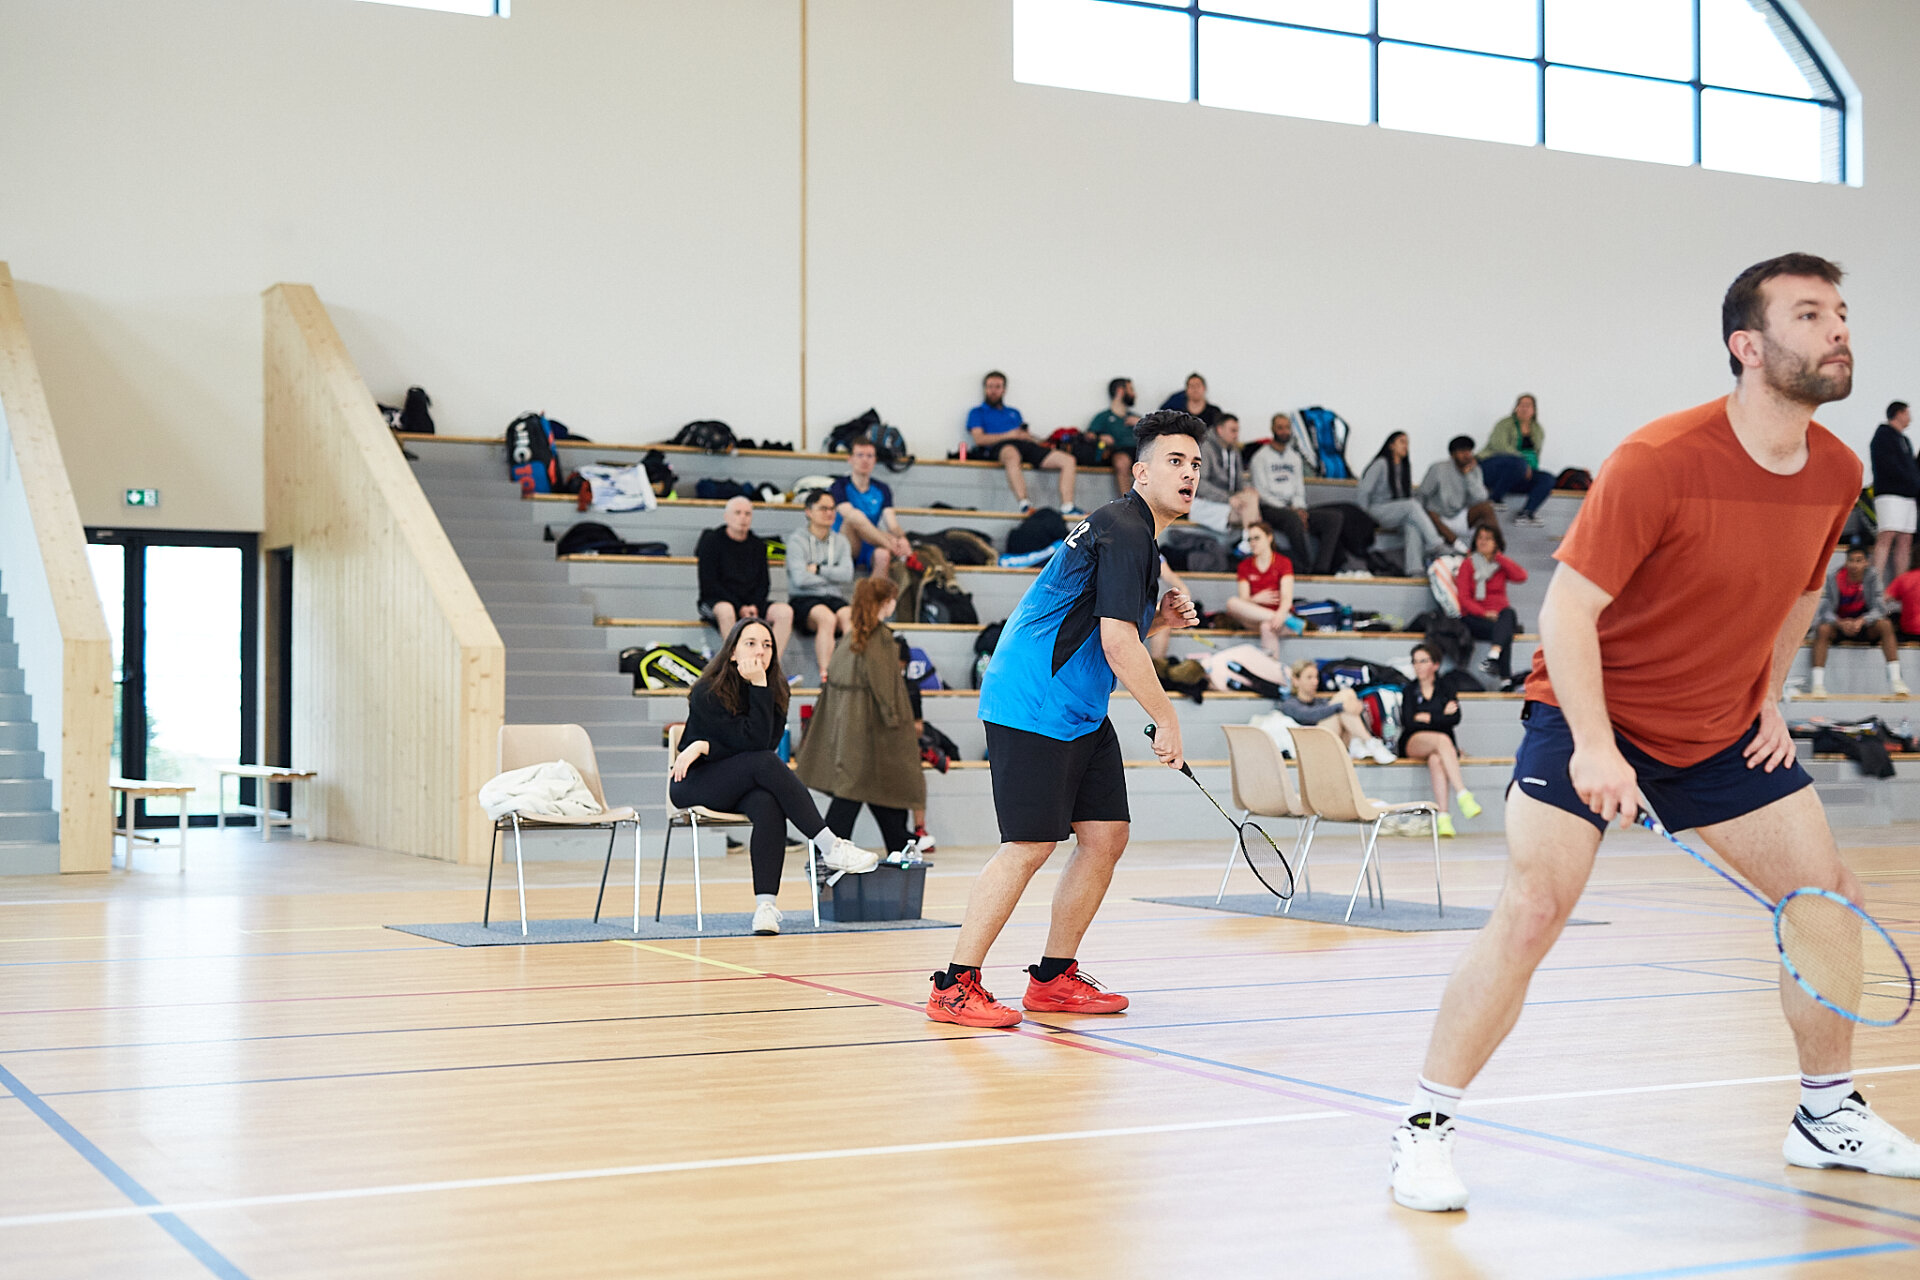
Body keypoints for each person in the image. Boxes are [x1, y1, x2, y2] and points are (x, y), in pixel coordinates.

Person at [1391, 253, 1920, 1215]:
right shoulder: (1660, 459)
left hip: (1721, 731)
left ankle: (1826, 1113)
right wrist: (1597, 746)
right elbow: (1567, 612)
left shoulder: (1839, 470)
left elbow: (1802, 593)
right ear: (1747, 346)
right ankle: (1424, 1125)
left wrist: (1769, 696)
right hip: (1587, 712)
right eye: (1810, 314)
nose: (1839, 328)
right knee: (1534, 908)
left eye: (1841, 311)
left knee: (1826, 900)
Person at [926, 411, 1204, 1028]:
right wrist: (1167, 718)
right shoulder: (1125, 530)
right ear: (1141, 472)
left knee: (1105, 836)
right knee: (1029, 845)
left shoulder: (1135, 534)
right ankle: (954, 985)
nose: (1188, 474)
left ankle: (1053, 978)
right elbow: (1116, 644)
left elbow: (1105, 627)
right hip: (1034, 701)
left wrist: (1158, 620)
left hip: (1078, 706)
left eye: (1194, 465)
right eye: (1174, 461)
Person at [669, 618, 882, 936]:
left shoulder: (775, 690)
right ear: (732, 652)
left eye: (767, 645)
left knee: (767, 802)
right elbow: (753, 748)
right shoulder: (707, 690)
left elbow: (760, 745)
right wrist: (705, 745)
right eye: (751, 643)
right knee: (765, 763)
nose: (761, 651)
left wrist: (709, 741)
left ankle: (765, 908)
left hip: (742, 782)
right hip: (695, 781)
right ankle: (830, 846)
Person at [795, 578, 925, 857]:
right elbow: (885, 689)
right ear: (885, 602)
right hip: (874, 732)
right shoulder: (880, 639)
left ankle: (895, 845)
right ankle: (835, 853)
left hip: (849, 730)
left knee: (868, 793)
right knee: (872, 792)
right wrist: (896, 724)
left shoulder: (850, 638)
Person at [1250, 412, 1367, 575]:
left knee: (1333, 518)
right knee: (1293, 519)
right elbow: (1262, 492)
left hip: (1294, 508)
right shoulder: (1260, 458)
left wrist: (1299, 508)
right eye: (1280, 428)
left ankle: (1321, 568)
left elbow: (1299, 489)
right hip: (1271, 508)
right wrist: (1291, 510)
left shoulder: (1294, 457)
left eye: (1287, 428)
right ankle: (1304, 566)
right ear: (1273, 429)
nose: (1284, 431)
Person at [965, 370, 1082, 517]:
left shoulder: (1014, 412)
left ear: (1004, 389)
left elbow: (1023, 434)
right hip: (1000, 447)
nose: (994, 390)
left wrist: (1029, 437)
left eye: (997, 387)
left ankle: (1068, 506)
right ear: (985, 388)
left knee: (1068, 460)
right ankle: (1025, 504)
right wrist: (1009, 435)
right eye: (990, 386)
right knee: (1012, 454)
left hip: (1024, 445)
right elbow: (979, 439)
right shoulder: (977, 412)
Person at [1397, 642, 1478, 838]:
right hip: (1414, 741)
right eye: (1415, 662)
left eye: (1423, 661)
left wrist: (1427, 717)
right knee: (1442, 739)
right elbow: (1409, 722)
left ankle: (1443, 817)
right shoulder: (1409, 690)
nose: (1418, 666)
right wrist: (1440, 716)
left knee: (1436, 760)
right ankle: (1462, 793)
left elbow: (1455, 718)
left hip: (1440, 745)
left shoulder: (1446, 687)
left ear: (1435, 664)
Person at [694, 497, 793, 655]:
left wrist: (753, 605)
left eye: (747, 514)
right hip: (717, 601)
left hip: (751, 603)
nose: (743, 518)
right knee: (726, 610)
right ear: (726, 516)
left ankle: (770, 663)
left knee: (784, 612)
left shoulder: (758, 545)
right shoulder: (711, 542)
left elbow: (764, 583)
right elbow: (709, 584)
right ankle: (737, 661)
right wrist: (739, 607)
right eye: (738, 513)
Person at [1809, 544, 1908, 697]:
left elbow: (1880, 608)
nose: (1854, 565)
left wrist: (1862, 620)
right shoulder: (1834, 577)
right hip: (1840, 626)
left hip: (1865, 626)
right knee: (1822, 629)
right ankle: (1817, 684)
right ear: (1846, 561)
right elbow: (1825, 610)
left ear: (1866, 562)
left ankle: (1896, 680)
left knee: (1886, 625)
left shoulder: (1873, 577)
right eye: (1851, 560)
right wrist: (1840, 623)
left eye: (1859, 561)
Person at [786, 488, 856, 682]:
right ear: (809, 512)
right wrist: (833, 575)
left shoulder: (841, 541)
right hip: (803, 598)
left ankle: (852, 670)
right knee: (826, 618)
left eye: (832, 509)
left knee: (850, 616)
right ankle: (826, 675)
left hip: (833, 597)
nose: (829, 513)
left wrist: (818, 570)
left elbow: (847, 574)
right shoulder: (797, 540)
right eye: (823, 508)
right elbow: (800, 579)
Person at [1357, 432, 1443, 576]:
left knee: (1412, 525)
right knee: (1411, 505)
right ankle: (1436, 544)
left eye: (1407, 443)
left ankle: (1415, 571)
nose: (1406, 446)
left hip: (1395, 512)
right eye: (1402, 442)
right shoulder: (1381, 464)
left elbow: (1405, 496)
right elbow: (1364, 491)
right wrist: (1362, 518)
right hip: (1375, 510)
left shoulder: (1404, 467)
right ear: (1391, 445)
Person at [1454, 522, 1528, 683]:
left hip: (1500, 617)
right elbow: (1464, 599)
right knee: (1505, 630)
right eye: (1480, 538)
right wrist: (1484, 613)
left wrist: (1499, 557)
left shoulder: (1500, 565)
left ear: (1496, 542)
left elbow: (1521, 576)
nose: (1483, 542)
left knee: (1508, 614)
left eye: (1488, 538)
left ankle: (1494, 657)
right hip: (1475, 618)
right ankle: (1505, 678)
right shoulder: (1467, 565)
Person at [1281, 660, 1395, 764]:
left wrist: (1354, 706)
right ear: (1295, 680)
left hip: (1335, 742)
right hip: (1312, 747)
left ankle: (1358, 742)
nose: (1315, 682)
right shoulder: (1289, 704)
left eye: (1316, 677)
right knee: (1342, 705)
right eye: (1309, 677)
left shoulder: (1321, 702)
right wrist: (1342, 706)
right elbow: (1309, 715)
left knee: (1348, 695)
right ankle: (1369, 742)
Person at [829, 438, 912, 577]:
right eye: (860, 455)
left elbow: (892, 525)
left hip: (871, 542)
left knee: (883, 555)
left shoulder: (882, 489)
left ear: (875, 460)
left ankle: (876, 590)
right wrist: (890, 541)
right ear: (850, 459)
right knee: (854, 516)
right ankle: (894, 548)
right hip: (846, 542)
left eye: (869, 456)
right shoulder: (839, 485)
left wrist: (902, 539)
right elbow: (850, 515)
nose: (865, 460)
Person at [1478, 394, 1559, 527]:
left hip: (1518, 474)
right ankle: (1494, 499)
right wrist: (1523, 463)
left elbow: (1536, 455)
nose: (1524, 408)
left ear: (1534, 410)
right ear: (1516, 408)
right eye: (1521, 405)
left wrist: (1528, 468)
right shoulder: (1504, 424)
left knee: (1548, 478)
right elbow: (1500, 446)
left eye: (1528, 405)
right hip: (1494, 468)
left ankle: (1527, 513)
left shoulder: (1538, 430)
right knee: (1517, 463)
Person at [1221, 522, 1294, 656]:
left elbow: (1287, 598)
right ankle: (1287, 619)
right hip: (1255, 617)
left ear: (1269, 538)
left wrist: (1280, 614)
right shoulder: (1244, 566)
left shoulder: (1283, 563)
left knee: (1267, 626)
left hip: (1279, 618)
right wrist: (1255, 599)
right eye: (1250, 539)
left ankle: (1272, 668)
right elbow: (1244, 599)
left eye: (1257, 538)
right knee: (1232, 602)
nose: (1253, 543)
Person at [1418, 436, 1500, 551]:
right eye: (1462, 451)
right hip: (1438, 517)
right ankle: (1459, 547)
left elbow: (1481, 497)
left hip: (1460, 515)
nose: (1467, 455)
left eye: (1469, 451)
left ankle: (1494, 548)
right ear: (1452, 454)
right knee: (1430, 512)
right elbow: (1422, 494)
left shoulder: (1475, 470)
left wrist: (1468, 476)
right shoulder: (1438, 468)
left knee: (1486, 508)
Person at [1869, 401, 1918, 582]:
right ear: (1899, 413)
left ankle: (1900, 585)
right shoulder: (1883, 436)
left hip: (1908, 495)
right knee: (1887, 536)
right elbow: (1888, 466)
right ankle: (1876, 586)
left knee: (1905, 539)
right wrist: (1909, 480)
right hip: (1890, 494)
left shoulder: (1904, 440)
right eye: (1907, 413)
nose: (1910, 418)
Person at [1189, 413, 1260, 535]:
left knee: (1251, 498)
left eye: (1237, 431)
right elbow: (1200, 484)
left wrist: (1245, 489)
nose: (1236, 435)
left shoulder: (1234, 450)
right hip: (1206, 503)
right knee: (1251, 512)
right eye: (1233, 430)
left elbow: (1239, 482)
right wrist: (1228, 498)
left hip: (1228, 502)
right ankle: (1250, 540)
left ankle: (1248, 539)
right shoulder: (1205, 449)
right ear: (1220, 430)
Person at [1090, 378, 1141, 496]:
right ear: (1120, 391)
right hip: (1118, 451)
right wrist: (1101, 437)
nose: (1134, 394)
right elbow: (1090, 436)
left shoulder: (1136, 418)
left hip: (1139, 451)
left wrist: (1141, 423)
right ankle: (1128, 501)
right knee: (1121, 461)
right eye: (1131, 389)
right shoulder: (1103, 417)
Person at [1159, 372, 1224, 427]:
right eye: (1191, 386)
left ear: (1204, 388)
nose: (1195, 389)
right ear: (1186, 390)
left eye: (1198, 385)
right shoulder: (1176, 412)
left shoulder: (1214, 412)